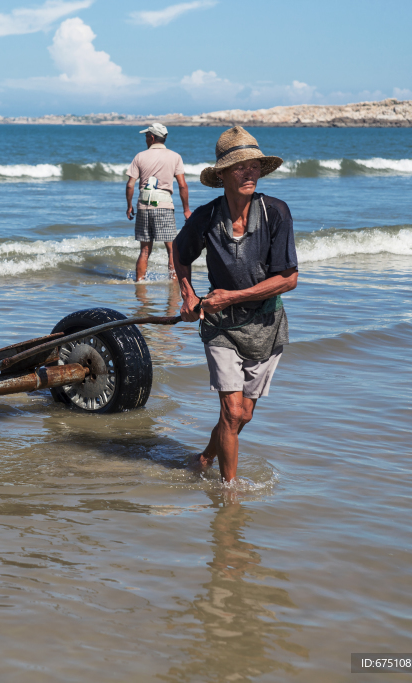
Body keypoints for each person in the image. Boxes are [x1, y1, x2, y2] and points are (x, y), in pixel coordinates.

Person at [173, 126, 299, 482]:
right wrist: (190, 295)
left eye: (254, 165)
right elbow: (179, 254)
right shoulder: (206, 217)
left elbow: (288, 279)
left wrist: (234, 295)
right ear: (223, 175)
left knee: (243, 415)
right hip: (220, 327)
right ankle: (230, 493)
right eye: (240, 166)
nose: (249, 172)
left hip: (266, 325)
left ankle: (205, 457)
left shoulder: (276, 212)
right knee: (230, 412)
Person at [125, 123, 191, 281]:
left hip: (144, 206)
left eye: (146, 136)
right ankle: (173, 283)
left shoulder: (140, 156)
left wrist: (129, 206)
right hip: (164, 206)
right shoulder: (175, 157)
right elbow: (182, 185)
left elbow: (129, 185)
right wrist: (186, 209)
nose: (146, 139)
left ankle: (140, 284)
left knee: (145, 251)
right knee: (172, 250)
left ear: (152, 137)